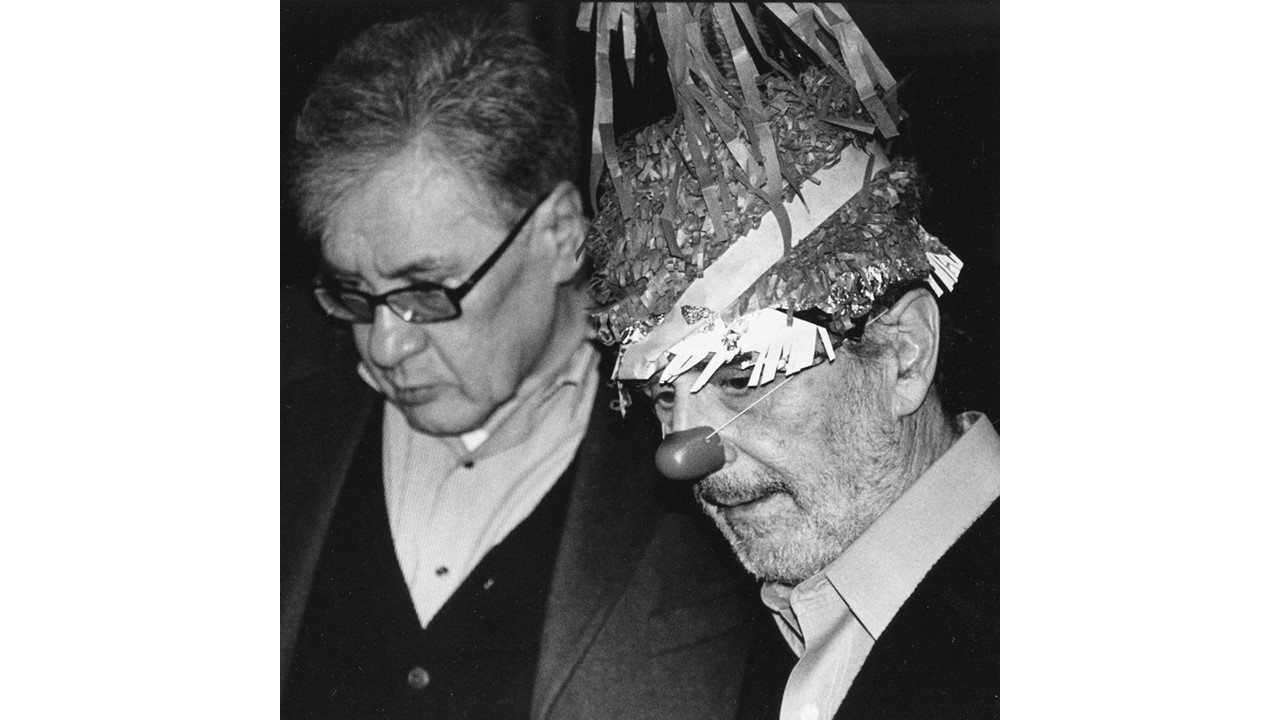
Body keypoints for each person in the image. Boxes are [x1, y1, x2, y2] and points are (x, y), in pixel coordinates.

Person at [280, 10, 766, 719]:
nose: (383, 344)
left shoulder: (712, 443)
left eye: (425, 291)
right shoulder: (280, 427)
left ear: (562, 234)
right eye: (354, 292)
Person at [581, 4, 997, 719]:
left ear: (903, 355)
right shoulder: (783, 629)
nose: (686, 452)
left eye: (743, 372)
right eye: (659, 394)